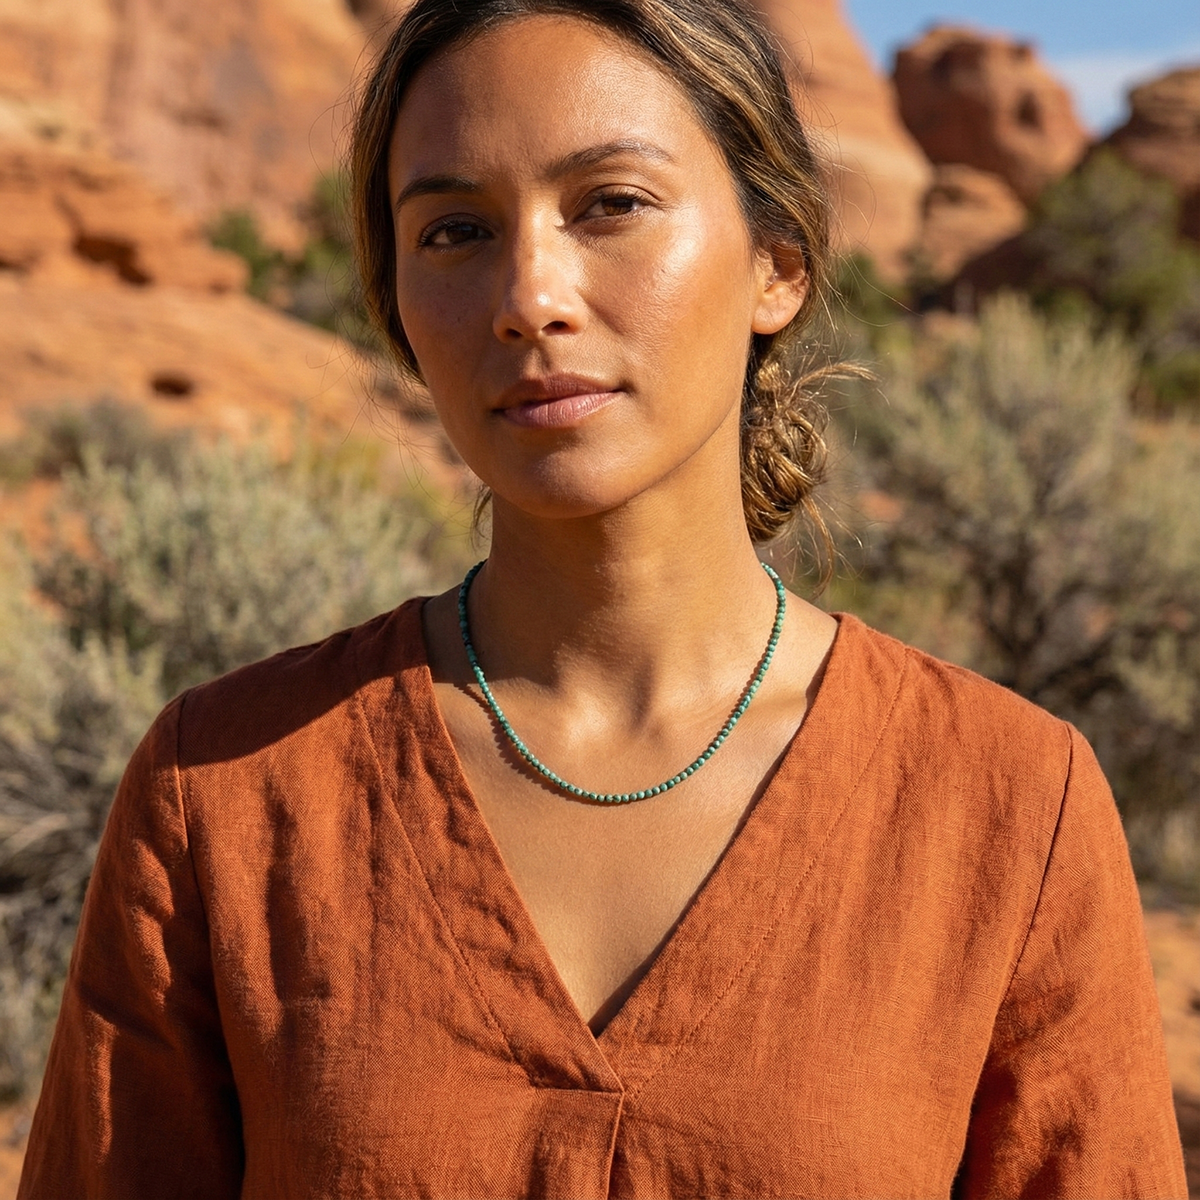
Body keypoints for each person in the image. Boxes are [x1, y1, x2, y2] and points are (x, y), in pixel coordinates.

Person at [18, 0, 1188, 1195]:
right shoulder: (227, 787)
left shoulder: (1004, 805)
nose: (530, 295)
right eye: (455, 231)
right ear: (398, 308)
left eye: (611, 205)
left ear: (777, 266)